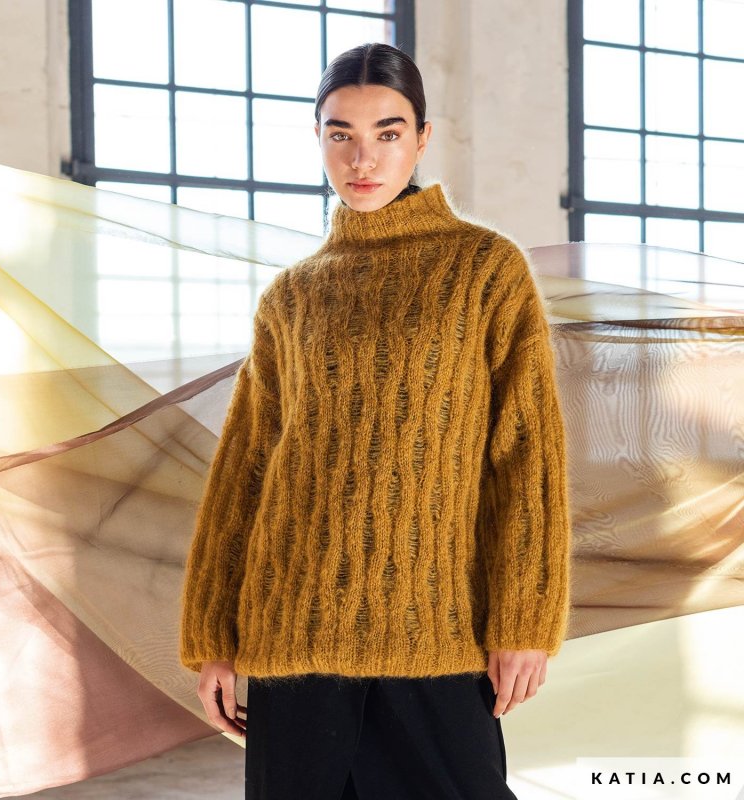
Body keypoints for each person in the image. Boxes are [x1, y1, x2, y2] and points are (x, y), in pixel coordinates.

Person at [179, 42, 572, 799]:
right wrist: (213, 637)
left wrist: (524, 618)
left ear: (421, 139)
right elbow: (245, 473)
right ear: (319, 139)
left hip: (436, 636)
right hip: (293, 638)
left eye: (387, 133)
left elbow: (526, 454)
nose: (362, 158)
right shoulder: (292, 296)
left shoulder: (486, 269)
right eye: (342, 134)